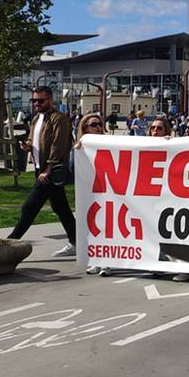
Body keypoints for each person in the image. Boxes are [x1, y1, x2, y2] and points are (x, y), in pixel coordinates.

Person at [9, 86, 76, 257]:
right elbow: (34, 139)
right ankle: (77, 241)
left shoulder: (59, 119)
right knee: (60, 207)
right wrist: (27, 146)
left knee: (29, 207)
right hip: (40, 168)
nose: (36, 104)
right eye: (34, 101)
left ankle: (10, 243)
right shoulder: (36, 119)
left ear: (50, 100)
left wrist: (48, 170)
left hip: (51, 170)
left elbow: (58, 145)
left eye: (40, 100)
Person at [76, 113, 112, 276]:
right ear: (85, 128)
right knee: (94, 228)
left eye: (99, 124)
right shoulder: (79, 148)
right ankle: (97, 260)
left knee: (108, 227)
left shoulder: (111, 143)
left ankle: (107, 262)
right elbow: (73, 171)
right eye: (94, 125)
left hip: (109, 193)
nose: (98, 128)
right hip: (90, 194)